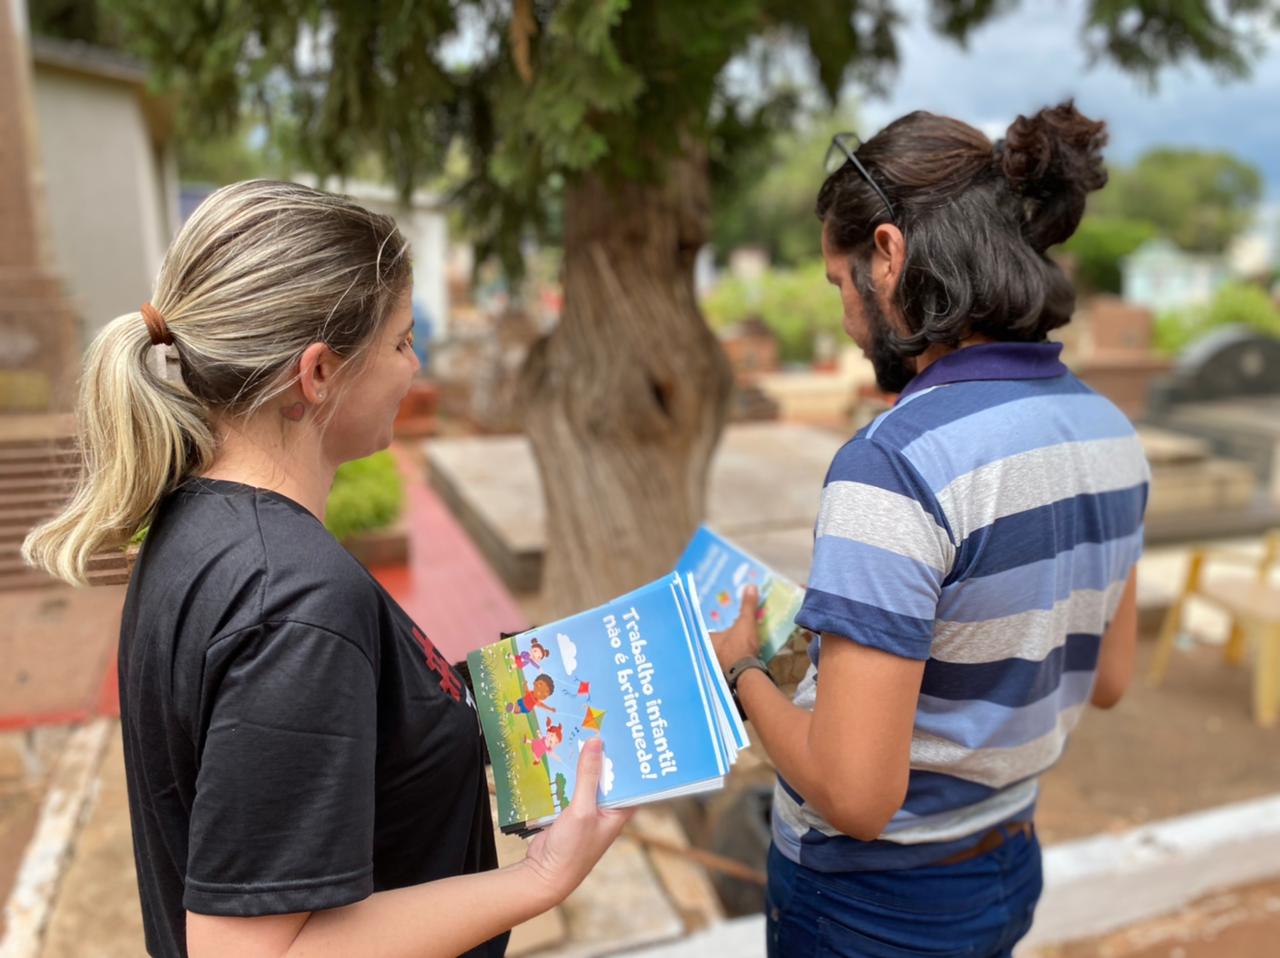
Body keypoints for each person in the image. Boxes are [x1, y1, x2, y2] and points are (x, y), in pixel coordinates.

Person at [23, 180, 630, 958]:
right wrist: (540, 878)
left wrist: (603, 667)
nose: (415, 369)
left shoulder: (201, 523)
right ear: (317, 375)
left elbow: (371, 720)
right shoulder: (294, 600)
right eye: (403, 342)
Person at [711, 102, 1150, 957]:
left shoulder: (896, 463)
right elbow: (1111, 677)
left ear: (888, 255)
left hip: (871, 908)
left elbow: (855, 793)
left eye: (840, 285)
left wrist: (743, 672)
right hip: (1007, 865)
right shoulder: (1111, 433)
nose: (843, 317)